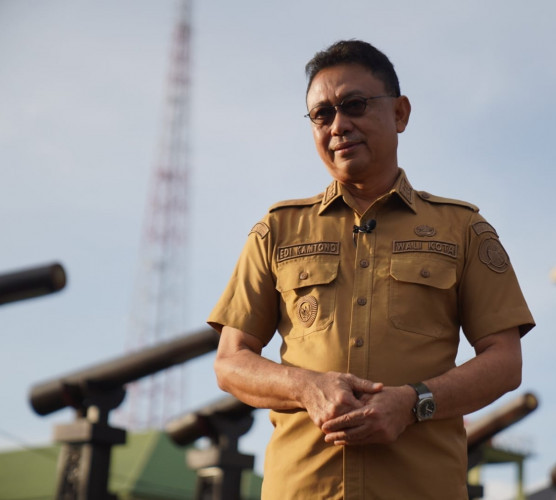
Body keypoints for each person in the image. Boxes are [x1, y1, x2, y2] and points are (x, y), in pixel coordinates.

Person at [209, 39, 535, 500]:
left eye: (355, 105)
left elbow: (504, 361)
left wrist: (413, 402)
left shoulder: (463, 229)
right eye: (321, 114)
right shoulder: (276, 230)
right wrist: (306, 387)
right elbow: (230, 362)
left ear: (400, 113)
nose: (338, 125)